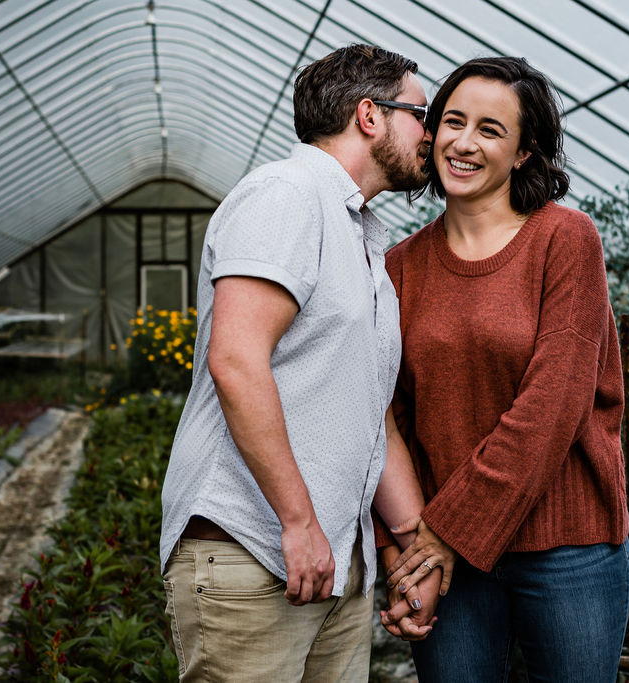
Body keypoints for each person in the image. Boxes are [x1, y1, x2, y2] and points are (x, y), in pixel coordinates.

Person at [159, 43, 435, 681]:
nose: (433, 134)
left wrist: (410, 554)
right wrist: (298, 522)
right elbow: (236, 359)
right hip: (255, 553)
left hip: (330, 563)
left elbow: (374, 418)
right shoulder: (286, 196)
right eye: (421, 114)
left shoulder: (363, 238)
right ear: (370, 116)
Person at [378, 56, 629, 681]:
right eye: (453, 122)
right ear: (430, 131)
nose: (464, 143)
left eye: (491, 130)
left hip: (568, 551)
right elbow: (385, 420)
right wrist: (401, 552)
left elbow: (553, 408)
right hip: (446, 558)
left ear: (523, 152)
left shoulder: (564, 240)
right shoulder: (399, 266)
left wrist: (447, 532)